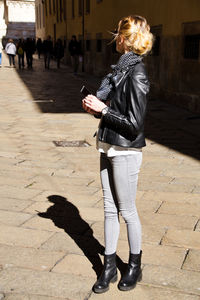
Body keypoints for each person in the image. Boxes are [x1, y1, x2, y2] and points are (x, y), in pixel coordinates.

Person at [82, 15, 153, 293]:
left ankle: (134, 265)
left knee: (127, 210)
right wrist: (97, 106)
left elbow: (134, 125)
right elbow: (116, 107)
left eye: (118, 35)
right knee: (109, 209)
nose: (115, 39)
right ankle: (108, 266)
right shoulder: (120, 69)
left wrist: (103, 110)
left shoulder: (137, 73)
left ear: (125, 39)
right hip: (108, 145)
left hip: (125, 151)